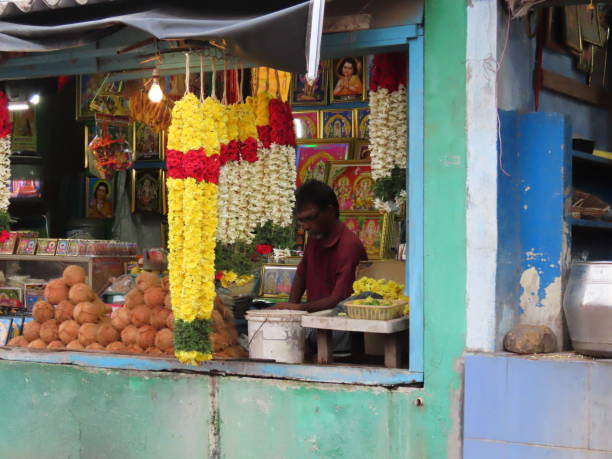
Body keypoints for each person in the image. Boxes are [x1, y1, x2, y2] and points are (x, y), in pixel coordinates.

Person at [270, 180, 367, 312]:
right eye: (302, 220)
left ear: (331, 211)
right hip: (315, 319)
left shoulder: (349, 246)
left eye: (311, 218)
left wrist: (297, 308)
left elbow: (339, 298)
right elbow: (301, 275)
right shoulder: (315, 236)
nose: (306, 226)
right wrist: (288, 311)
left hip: (342, 323)